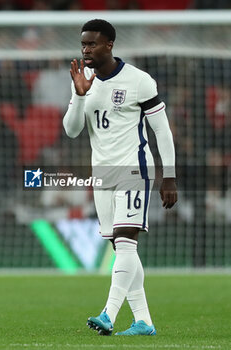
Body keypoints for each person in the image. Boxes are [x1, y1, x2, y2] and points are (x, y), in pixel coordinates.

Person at [63, 19, 177, 336]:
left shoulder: (139, 81)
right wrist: (79, 95)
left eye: (92, 44)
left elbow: (162, 131)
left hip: (134, 169)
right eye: (83, 44)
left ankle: (108, 314)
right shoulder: (82, 79)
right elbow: (71, 131)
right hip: (101, 174)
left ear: (109, 44)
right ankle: (144, 321)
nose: (86, 50)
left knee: (126, 243)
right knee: (121, 248)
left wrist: (169, 176)